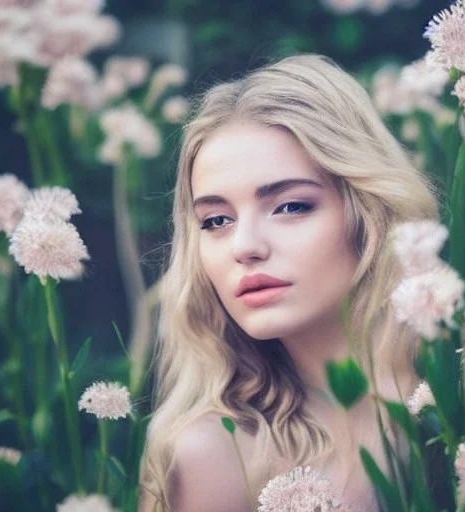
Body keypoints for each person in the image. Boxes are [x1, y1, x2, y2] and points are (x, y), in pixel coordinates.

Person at [137, 54, 440, 512]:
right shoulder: (216, 454)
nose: (245, 246)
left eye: (291, 206)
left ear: (369, 212)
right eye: (216, 220)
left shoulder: (459, 391)